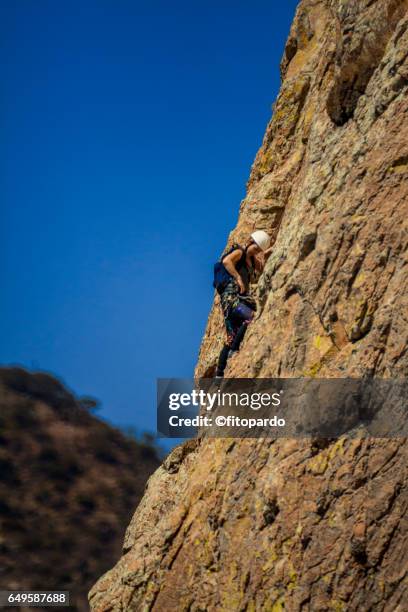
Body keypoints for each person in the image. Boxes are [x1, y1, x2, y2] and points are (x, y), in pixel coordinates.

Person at [214, 230, 273, 377]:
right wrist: (238, 278)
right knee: (251, 316)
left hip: (237, 301)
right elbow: (226, 261)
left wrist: (267, 255)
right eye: (256, 247)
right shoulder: (240, 252)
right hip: (231, 300)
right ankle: (233, 351)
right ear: (250, 241)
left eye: (259, 250)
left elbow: (264, 269)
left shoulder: (252, 260)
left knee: (231, 337)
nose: (256, 251)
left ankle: (219, 374)